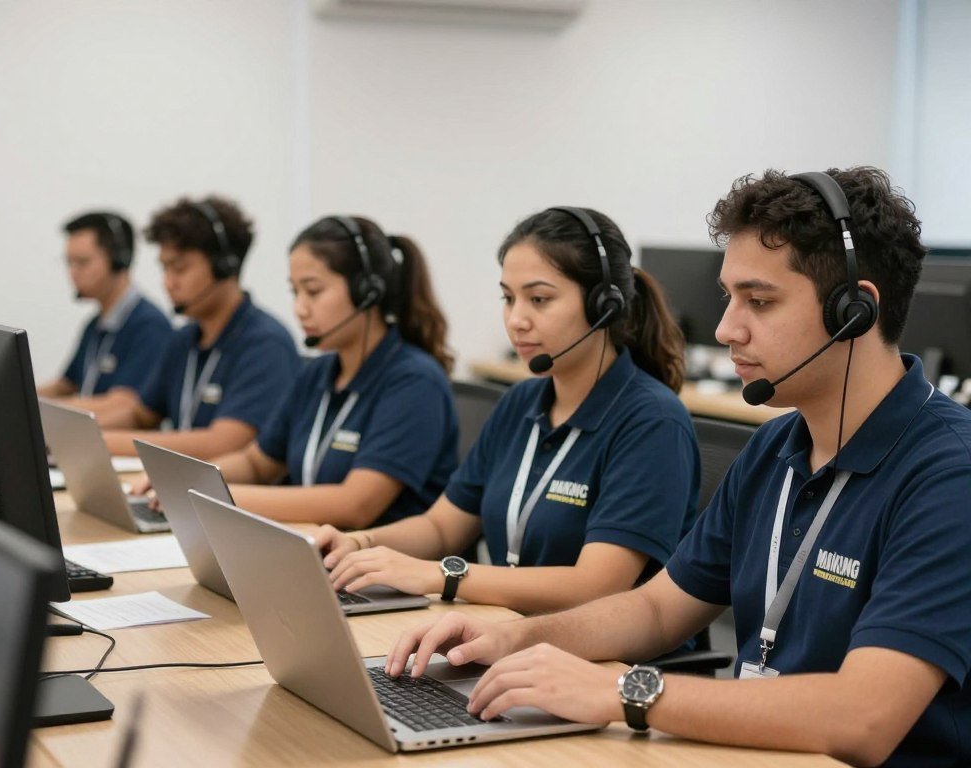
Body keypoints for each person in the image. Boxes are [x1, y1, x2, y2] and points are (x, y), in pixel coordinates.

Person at [385, 169, 971, 768]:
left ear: (855, 311)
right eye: (729, 298)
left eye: (760, 302)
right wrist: (516, 638)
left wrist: (625, 692)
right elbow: (659, 608)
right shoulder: (774, 449)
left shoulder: (950, 475)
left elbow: (863, 718)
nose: (725, 329)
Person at [315, 207, 700, 616]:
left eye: (539, 299)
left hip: (607, 664)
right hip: (507, 632)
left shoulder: (652, 421)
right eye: (508, 298)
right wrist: (360, 544)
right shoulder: (521, 402)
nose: (516, 320)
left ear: (604, 305)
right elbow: (442, 526)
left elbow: (597, 585)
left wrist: (443, 576)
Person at [212, 215, 459, 528]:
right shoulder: (318, 372)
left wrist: (217, 497)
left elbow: (353, 506)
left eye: (313, 292)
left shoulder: (415, 382)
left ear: (367, 292)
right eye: (295, 292)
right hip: (310, 552)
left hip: (376, 569)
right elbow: (257, 463)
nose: (299, 308)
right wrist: (189, 479)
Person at [73, 196, 301, 459]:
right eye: (164, 268)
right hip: (181, 487)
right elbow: (140, 414)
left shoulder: (265, 344)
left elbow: (223, 444)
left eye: (179, 269)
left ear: (224, 267)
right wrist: (76, 430)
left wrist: (97, 441)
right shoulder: (184, 339)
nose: (168, 283)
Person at [38, 211, 171, 398]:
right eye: (69, 263)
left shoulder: (149, 326)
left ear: (119, 259)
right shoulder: (95, 325)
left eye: (82, 262)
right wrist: (18, 398)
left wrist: (45, 412)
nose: (72, 273)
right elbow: (65, 385)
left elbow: (124, 406)